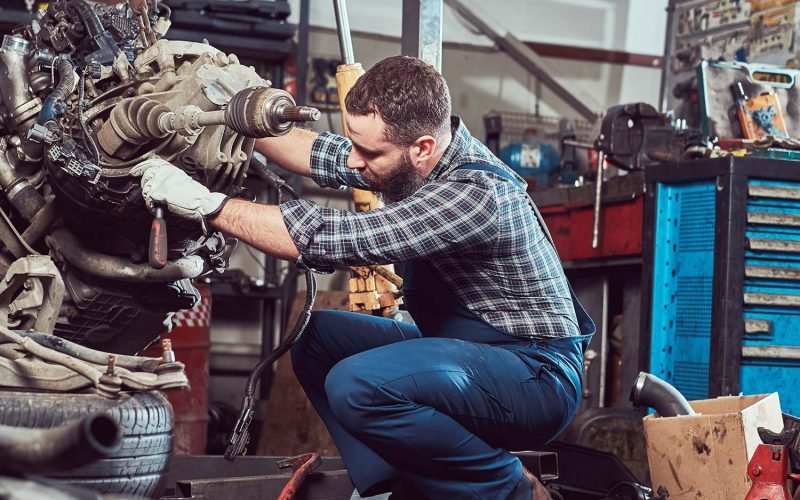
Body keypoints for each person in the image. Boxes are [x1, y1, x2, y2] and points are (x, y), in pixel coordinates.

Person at [135, 55, 594, 500]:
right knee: (315, 338)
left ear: (422, 148)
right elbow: (316, 151)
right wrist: (232, 111)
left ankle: (509, 489)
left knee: (358, 384)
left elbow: (327, 237)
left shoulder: (474, 195)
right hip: (481, 356)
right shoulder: (413, 160)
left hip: (535, 378)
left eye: (368, 151)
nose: (354, 161)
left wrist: (206, 205)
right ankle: (391, 483)